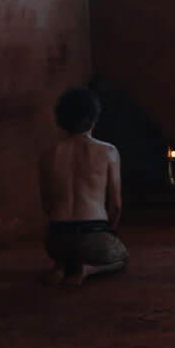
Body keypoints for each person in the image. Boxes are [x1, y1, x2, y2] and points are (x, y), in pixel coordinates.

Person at [40, 86, 128, 285]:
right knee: (121, 257)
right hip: (92, 236)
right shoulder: (108, 151)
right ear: (94, 117)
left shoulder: (48, 154)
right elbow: (116, 206)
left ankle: (62, 266)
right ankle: (89, 269)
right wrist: (109, 232)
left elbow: (46, 204)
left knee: (68, 248)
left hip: (56, 240)